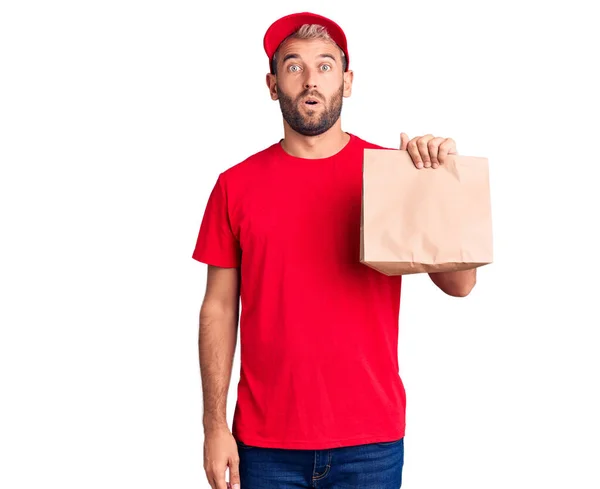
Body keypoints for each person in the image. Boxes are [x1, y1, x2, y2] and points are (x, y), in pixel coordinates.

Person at [192, 11, 476, 489]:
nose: (310, 80)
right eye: (293, 66)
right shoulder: (234, 186)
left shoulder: (393, 174)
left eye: (325, 66)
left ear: (346, 81)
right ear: (271, 83)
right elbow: (218, 308)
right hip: (264, 445)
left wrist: (435, 185)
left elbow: (461, 285)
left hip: (370, 442)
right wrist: (214, 426)